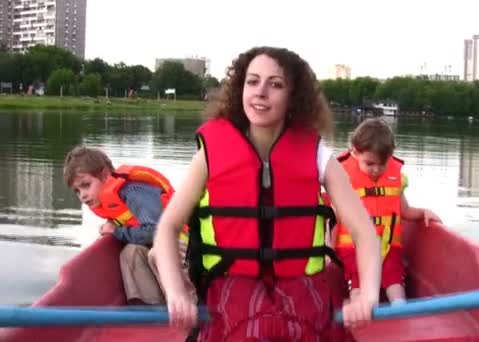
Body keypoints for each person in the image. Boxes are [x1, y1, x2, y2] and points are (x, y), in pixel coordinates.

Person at [153, 46, 382, 341]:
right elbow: (168, 228)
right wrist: (176, 293)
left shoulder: (317, 155)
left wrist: (368, 295)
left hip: (300, 289)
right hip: (231, 289)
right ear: (241, 89)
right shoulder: (211, 154)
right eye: (253, 81)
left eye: (275, 84)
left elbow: (364, 231)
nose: (261, 92)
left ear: (293, 98)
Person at [334, 118, 441, 305]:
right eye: (370, 163)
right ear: (355, 152)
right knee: (360, 283)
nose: (376, 170)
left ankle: (400, 311)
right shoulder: (343, 177)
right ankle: (360, 309)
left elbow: (404, 211)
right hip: (354, 247)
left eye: (382, 164)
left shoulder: (394, 177)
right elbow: (334, 217)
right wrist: (329, 249)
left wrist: (423, 212)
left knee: (394, 279)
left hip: (388, 245)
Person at [63, 146, 189, 305]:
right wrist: (115, 227)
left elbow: (155, 232)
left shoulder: (133, 192)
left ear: (105, 175)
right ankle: (152, 309)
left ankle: (187, 303)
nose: (82, 196)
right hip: (164, 256)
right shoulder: (112, 203)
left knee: (157, 253)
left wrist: (117, 231)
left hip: (186, 250)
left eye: (86, 185)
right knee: (130, 252)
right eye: (77, 191)